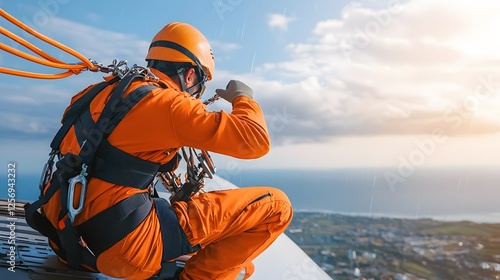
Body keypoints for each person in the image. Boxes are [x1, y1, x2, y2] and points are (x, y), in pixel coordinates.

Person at [31, 22, 293, 279]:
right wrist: (244, 98)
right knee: (277, 207)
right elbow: (255, 141)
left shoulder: (97, 92)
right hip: (124, 252)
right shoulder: (168, 104)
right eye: (199, 85)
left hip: (67, 240)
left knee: (241, 265)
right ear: (190, 75)